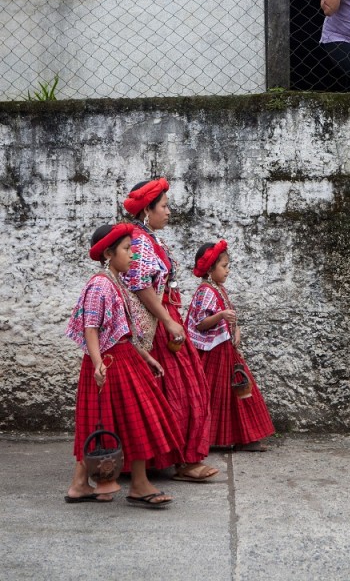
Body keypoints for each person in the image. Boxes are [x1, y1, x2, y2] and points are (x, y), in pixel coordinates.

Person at [65, 223, 182, 509]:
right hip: (108, 363)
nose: (133, 256)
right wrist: (96, 364)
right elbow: (91, 327)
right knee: (125, 420)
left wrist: (147, 357)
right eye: (127, 250)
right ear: (108, 253)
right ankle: (135, 486)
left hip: (125, 358)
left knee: (115, 420)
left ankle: (83, 485)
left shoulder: (117, 282)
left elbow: (122, 332)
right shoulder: (99, 284)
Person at [123, 178, 218, 482]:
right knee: (183, 390)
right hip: (156, 324)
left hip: (164, 318)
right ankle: (183, 461)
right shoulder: (139, 239)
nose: (169, 211)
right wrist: (166, 320)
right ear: (146, 210)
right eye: (163, 206)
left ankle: (171, 458)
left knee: (178, 388)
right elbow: (139, 284)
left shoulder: (148, 237)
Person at [186, 240, 275, 452]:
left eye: (228, 265)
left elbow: (230, 316)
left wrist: (236, 331)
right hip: (212, 353)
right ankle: (202, 439)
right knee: (214, 395)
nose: (228, 270)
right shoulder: (205, 291)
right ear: (210, 269)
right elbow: (200, 323)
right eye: (224, 266)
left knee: (240, 391)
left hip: (226, 349)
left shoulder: (219, 289)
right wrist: (221, 316)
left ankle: (247, 437)